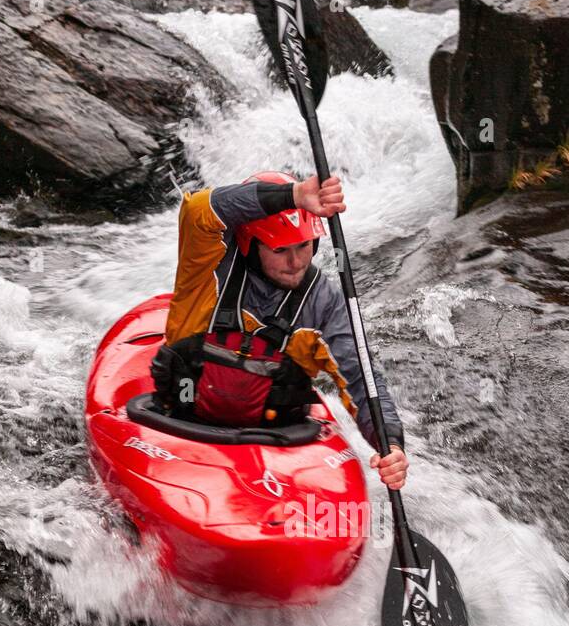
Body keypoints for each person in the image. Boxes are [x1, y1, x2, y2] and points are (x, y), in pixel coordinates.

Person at [151, 170, 409, 490]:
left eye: (304, 246)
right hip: (179, 428)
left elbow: (360, 378)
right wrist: (296, 196)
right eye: (280, 250)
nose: (296, 262)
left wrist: (391, 444)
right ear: (249, 243)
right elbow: (199, 209)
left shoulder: (324, 302)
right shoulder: (208, 262)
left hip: (273, 446)